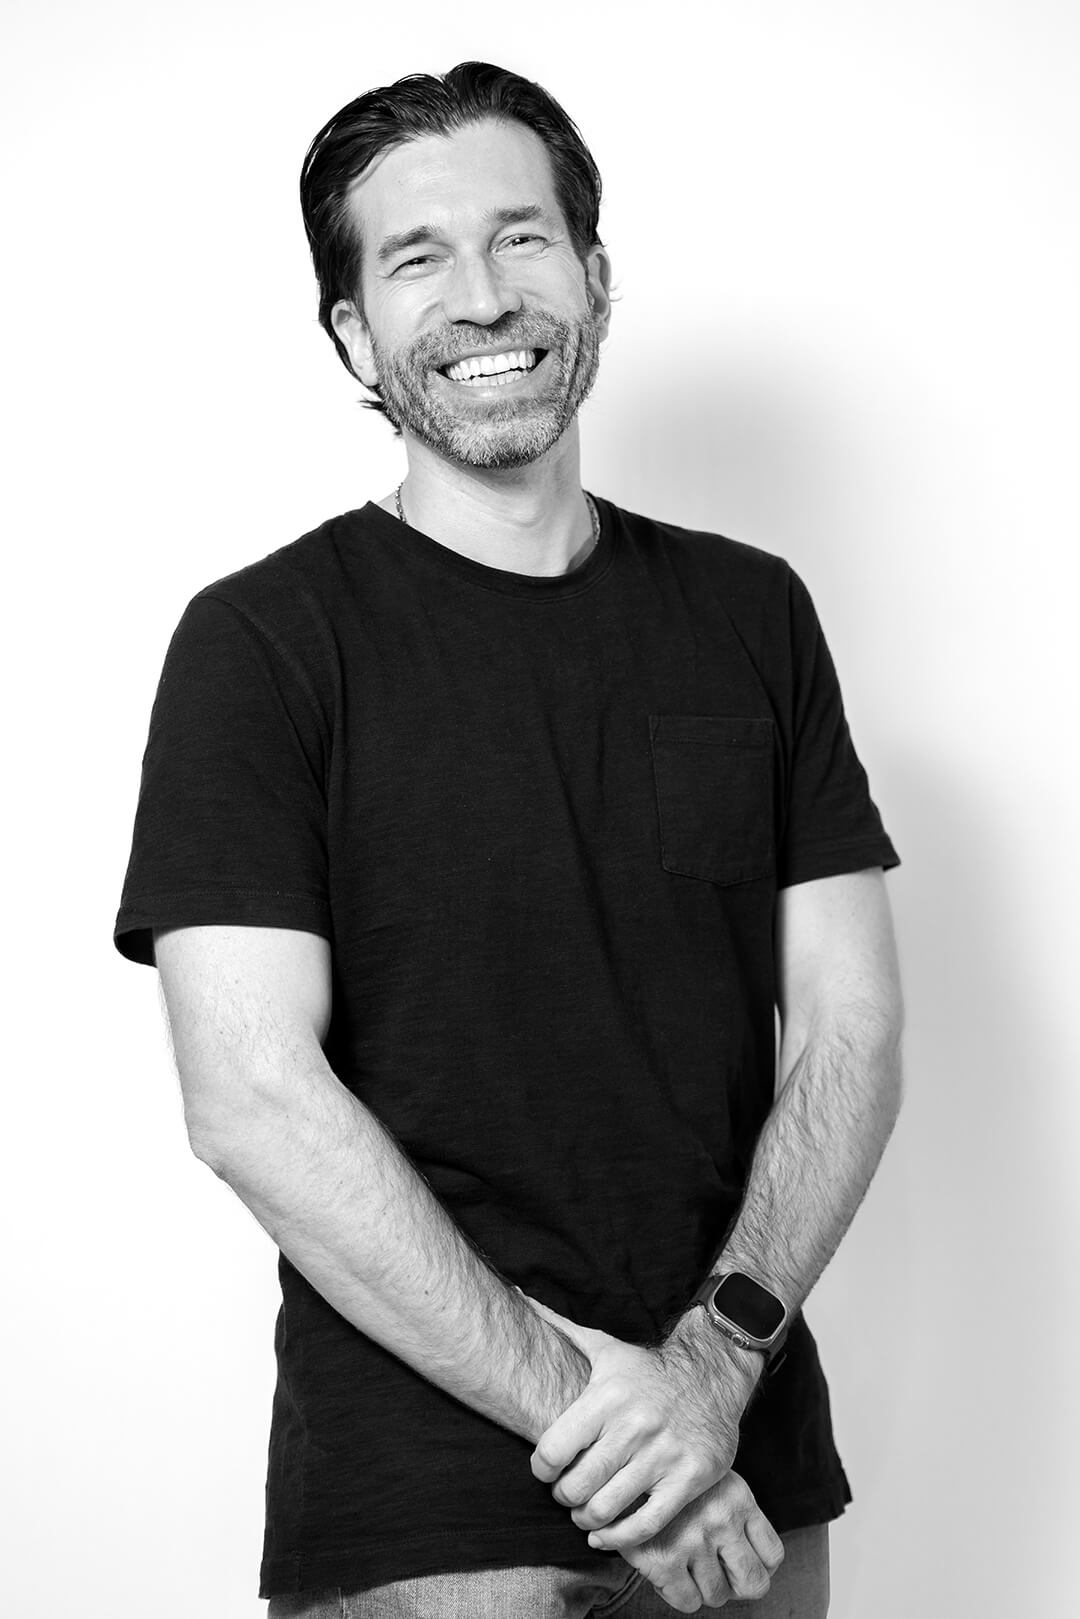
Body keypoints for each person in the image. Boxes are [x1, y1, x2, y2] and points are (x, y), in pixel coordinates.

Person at [114, 61, 903, 1618]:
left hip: (744, 1460)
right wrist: (606, 1424)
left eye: (522, 238)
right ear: (354, 333)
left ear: (595, 275)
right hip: (432, 1507)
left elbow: (852, 1027)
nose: (483, 298)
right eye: (415, 260)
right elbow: (252, 1099)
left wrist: (710, 1370)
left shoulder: (754, 615)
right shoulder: (265, 645)